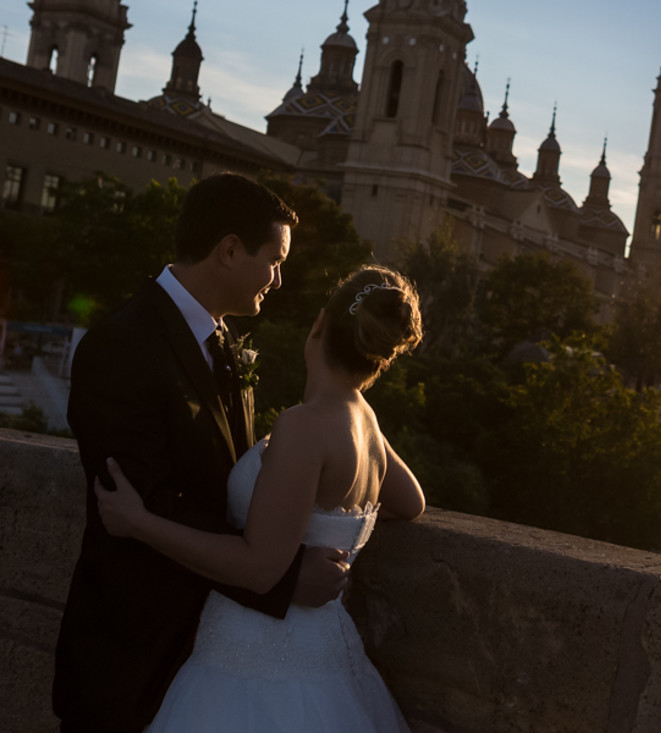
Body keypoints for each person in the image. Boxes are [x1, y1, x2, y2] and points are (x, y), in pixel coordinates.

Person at [54, 173, 350, 733]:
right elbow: (142, 504)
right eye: (275, 259)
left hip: (209, 657)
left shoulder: (223, 340)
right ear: (230, 250)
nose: (280, 279)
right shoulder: (121, 345)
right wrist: (280, 580)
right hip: (134, 660)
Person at [96, 265, 425, 732]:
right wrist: (331, 531)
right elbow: (411, 502)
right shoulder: (364, 419)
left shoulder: (304, 425)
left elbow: (258, 568)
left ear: (319, 324)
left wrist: (138, 522)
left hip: (252, 662)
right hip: (328, 656)